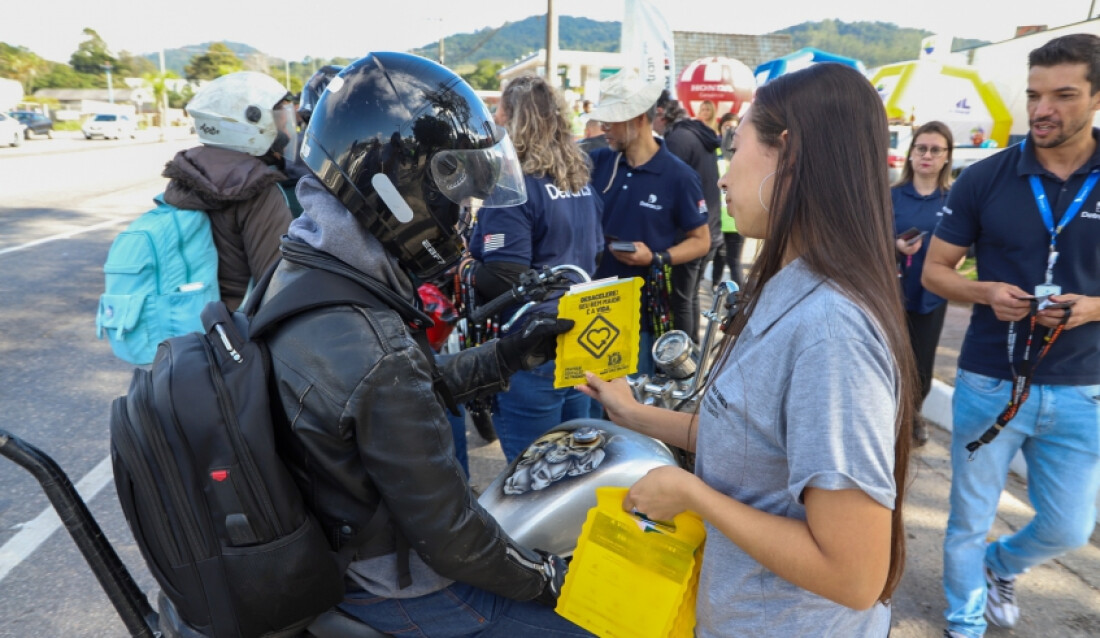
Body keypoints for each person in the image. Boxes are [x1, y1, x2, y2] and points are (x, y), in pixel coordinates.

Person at [579, 62, 917, 637]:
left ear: (787, 155)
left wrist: (693, 494)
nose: (724, 177)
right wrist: (634, 412)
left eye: (735, 149)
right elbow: (755, 438)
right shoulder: (790, 288)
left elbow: (855, 573)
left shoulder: (831, 332)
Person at [264, 52, 592, 637]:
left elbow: (404, 391)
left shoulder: (304, 269)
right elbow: (454, 540)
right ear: (394, 191)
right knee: (601, 620)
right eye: (454, 191)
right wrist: (553, 578)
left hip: (342, 540)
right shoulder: (368, 344)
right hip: (395, 580)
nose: (463, 215)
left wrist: (509, 354)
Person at [922, 33, 1100, 638]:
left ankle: (1001, 566)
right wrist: (987, 292)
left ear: (1096, 98)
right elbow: (935, 271)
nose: (1042, 108)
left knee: (1070, 528)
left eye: (1064, 95)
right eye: (1033, 95)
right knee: (967, 520)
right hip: (988, 379)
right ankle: (964, 622)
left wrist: (1093, 308)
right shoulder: (986, 177)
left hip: (1082, 388)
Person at [465, 74, 604, 463]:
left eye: (499, 111)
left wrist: (463, 268)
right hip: (581, 341)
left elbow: (507, 278)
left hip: (533, 350)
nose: (493, 118)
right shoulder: (580, 181)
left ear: (515, 120)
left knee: (532, 482)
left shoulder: (513, 187)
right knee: (578, 472)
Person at [586, 69, 710, 374]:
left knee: (627, 411)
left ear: (638, 118)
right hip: (590, 308)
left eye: (612, 119)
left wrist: (655, 258)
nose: (604, 127)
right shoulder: (600, 161)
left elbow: (701, 241)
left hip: (640, 317)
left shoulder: (678, 176)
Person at [163, 71, 296, 311]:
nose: (285, 133)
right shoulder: (257, 189)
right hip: (236, 332)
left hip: (191, 327)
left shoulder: (186, 175)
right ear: (251, 124)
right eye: (278, 120)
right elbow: (280, 285)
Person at [892, 120, 954, 446]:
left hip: (931, 294)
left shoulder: (954, 199)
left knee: (921, 364)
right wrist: (896, 246)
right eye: (921, 149)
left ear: (946, 157)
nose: (927, 155)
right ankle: (889, 418)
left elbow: (967, 243)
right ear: (911, 153)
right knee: (889, 358)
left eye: (935, 150)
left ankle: (913, 414)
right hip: (892, 291)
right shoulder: (892, 195)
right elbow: (872, 236)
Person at [653, 90, 723, 341]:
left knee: (682, 298)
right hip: (710, 227)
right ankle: (689, 353)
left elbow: (670, 189)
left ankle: (683, 357)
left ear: (659, 113)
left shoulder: (678, 140)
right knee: (689, 295)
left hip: (694, 233)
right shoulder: (694, 133)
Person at [711, 112, 744, 289]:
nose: (730, 130)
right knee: (718, 259)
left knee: (734, 262)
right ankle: (715, 288)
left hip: (736, 218)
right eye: (726, 126)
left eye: (734, 127)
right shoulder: (714, 151)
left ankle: (742, 300)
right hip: (718, 218)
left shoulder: (743, 153)